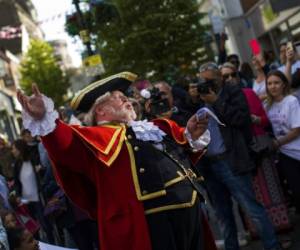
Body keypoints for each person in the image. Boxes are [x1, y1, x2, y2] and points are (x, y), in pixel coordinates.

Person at [17, 72, 217, 250]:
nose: (128, 100)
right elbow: (63, 144)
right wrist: (44, 118)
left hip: (191, 215)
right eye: (120, 99)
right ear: (101, 111)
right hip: (151, 225)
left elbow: (183, 148)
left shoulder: (154, 128)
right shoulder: (93, 139)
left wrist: (190, 133)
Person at [196, 62, 281, 250]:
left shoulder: (233, 92)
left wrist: (215, 101)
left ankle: (272, 246)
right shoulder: (198, 98)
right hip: (209, 165)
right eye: (202, 80)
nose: (205, 83)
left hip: (230, 160)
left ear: (219, 78)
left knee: (252, 209)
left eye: (209, 80)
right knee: (223, 215)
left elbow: (240, 119)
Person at [265, 70, 300, 213]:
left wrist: (277, 143)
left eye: (276, 83)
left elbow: (297, 130)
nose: (273, 86)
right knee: (297, 192)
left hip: (297, 151)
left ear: (284, 85)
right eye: (269, 83)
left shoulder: (291, 101)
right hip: (285, 155)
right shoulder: (268, 106)